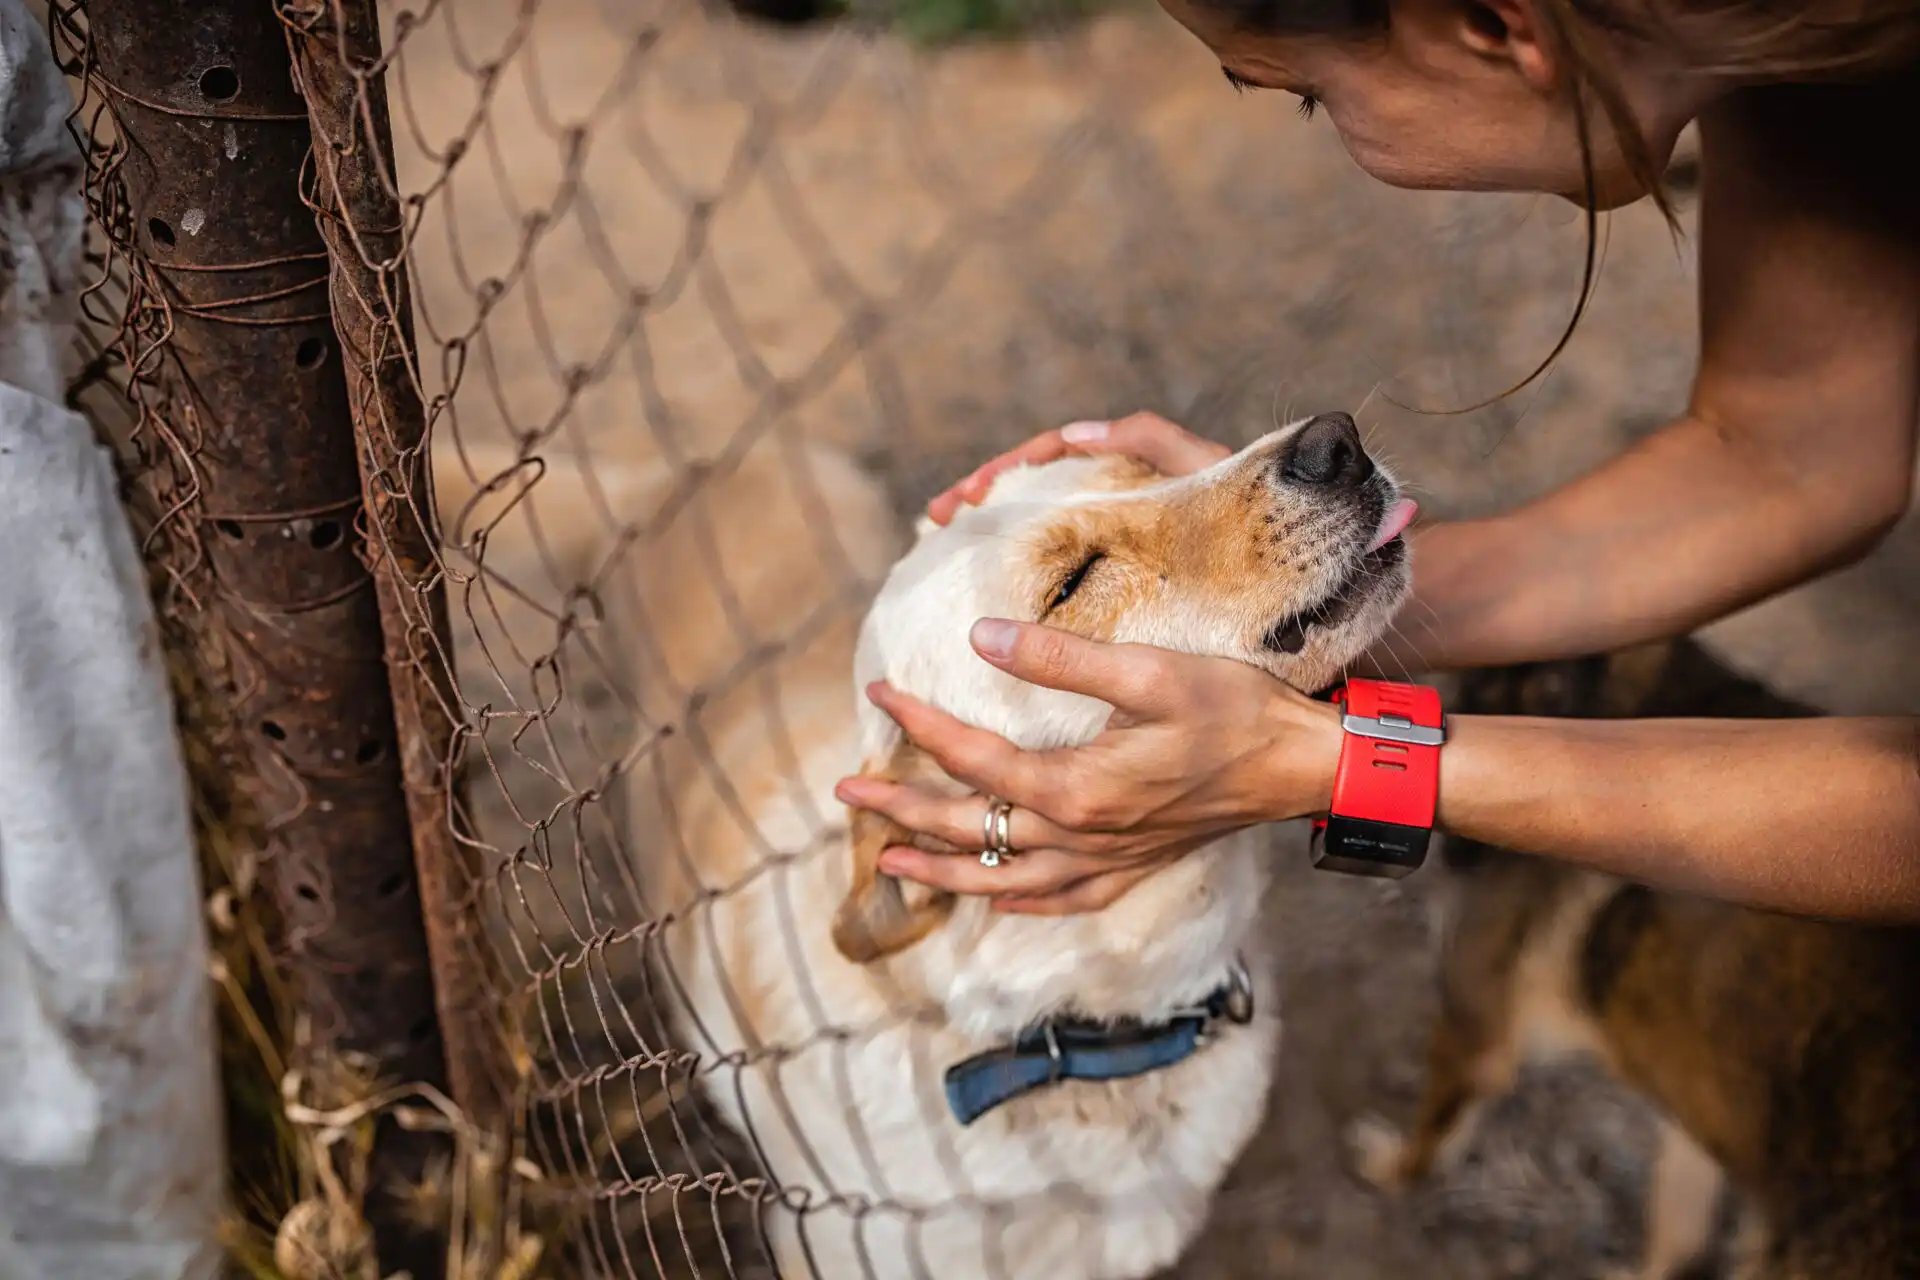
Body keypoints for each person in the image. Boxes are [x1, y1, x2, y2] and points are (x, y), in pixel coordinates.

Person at [833, 0, 1920, 922]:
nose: (1329, 123)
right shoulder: (1804, 52)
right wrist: (1321, 578)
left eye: (1308, 91)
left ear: (1499, 25)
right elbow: (1790, 452)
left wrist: (1343, 762)